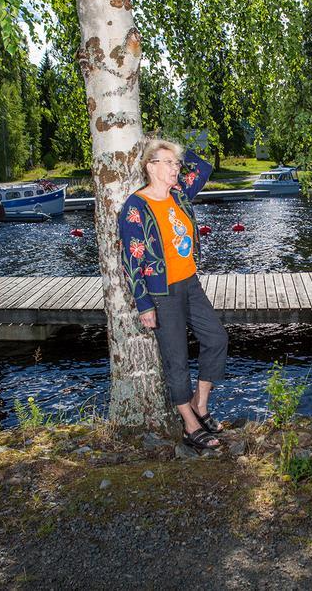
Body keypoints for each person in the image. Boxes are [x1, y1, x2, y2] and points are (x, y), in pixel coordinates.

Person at [118, 139, 228, 453]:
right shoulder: (136, 207)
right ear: (150, 166)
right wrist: (143, 304)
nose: (176, 168)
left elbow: (202, 168)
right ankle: (190, 426)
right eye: (168, 163)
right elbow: (132, 259)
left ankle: (200, 403)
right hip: (161, 292)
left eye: (177, 163)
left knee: (217, 338)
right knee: (176, 360)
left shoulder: (179, 195)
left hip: (190, 284)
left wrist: (173, 149)